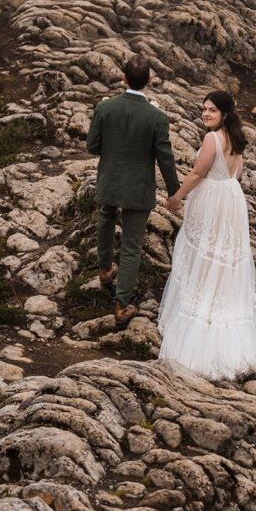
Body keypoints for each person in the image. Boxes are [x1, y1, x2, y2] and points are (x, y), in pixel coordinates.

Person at [157, 90, 256, 380]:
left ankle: (197, 325)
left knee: (202, 253)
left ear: (224, 113)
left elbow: (197, 173)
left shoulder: (212, 138)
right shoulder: (237, 139)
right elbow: (235, 176)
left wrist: (176, 197)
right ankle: (219, 312)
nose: (205, 113)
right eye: (204, 109)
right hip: (231, 199)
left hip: (213, 201)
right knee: (222, 258)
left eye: (211, 110)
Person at [86, 55, 180, 327]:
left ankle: (104, 269)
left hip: (110, 181)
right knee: (131, 246)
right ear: (150, 80)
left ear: (123, 78)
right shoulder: (157, 117)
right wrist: (174, 191)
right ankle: (122, 304)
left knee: (105, 221)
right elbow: (165, 158)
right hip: (138, 188)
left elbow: (92, 147)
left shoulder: (105, 108)